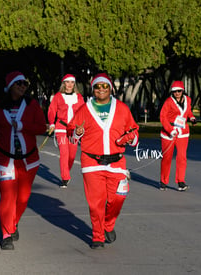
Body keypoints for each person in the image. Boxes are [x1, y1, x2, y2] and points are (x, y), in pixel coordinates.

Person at [67, 73, 139, 249]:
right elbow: (71, 134)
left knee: (119, 197)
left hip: (117, 163)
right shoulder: (84, 109)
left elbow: (134, 131)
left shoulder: (121, 108)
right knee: (96, 203)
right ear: (93, 89)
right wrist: (77, 132)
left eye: (104, 86)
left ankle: (108, 225)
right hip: (92, 162)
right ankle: (97, 236)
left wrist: (132, 139)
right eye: (97, 86)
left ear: (110, 88)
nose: (101, 89)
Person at [0, 71, 46, 250]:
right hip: (3, 159)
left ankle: (13, 222)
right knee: (8, 197)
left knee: (23, 198)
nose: (22, 86)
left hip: (28, 160)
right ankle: (6, 234)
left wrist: (22, 126)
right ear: (10, 86)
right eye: (19, 83)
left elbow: (41, 127)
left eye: (24, 84)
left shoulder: (32, 105)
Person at [47, 74, 85, 188]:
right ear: (64, 84)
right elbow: (52, 110)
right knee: (64, 153)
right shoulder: (58, 96)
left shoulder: (79, 97)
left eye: (72, 82)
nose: (69, 85)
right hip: (61, 128)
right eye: (67, 82)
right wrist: (52, 123)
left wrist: (83, 126)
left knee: (72, 155)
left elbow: (83, 113)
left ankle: (66, 171)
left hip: (73, 129)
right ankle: (65, 177)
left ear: (74, 84)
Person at [159, 80, 196, 191]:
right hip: (169, 133)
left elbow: (188, 111)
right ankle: (163, 181)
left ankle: (181, 181)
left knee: (182, 157)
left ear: (183, 91)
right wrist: (170, 130)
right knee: (167, 158)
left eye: (179, 91)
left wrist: (192, 117)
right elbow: (163, 117)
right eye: (175, 91)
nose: (177, 93)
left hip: (183, 132)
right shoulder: (168, 102)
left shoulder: (188, 100)